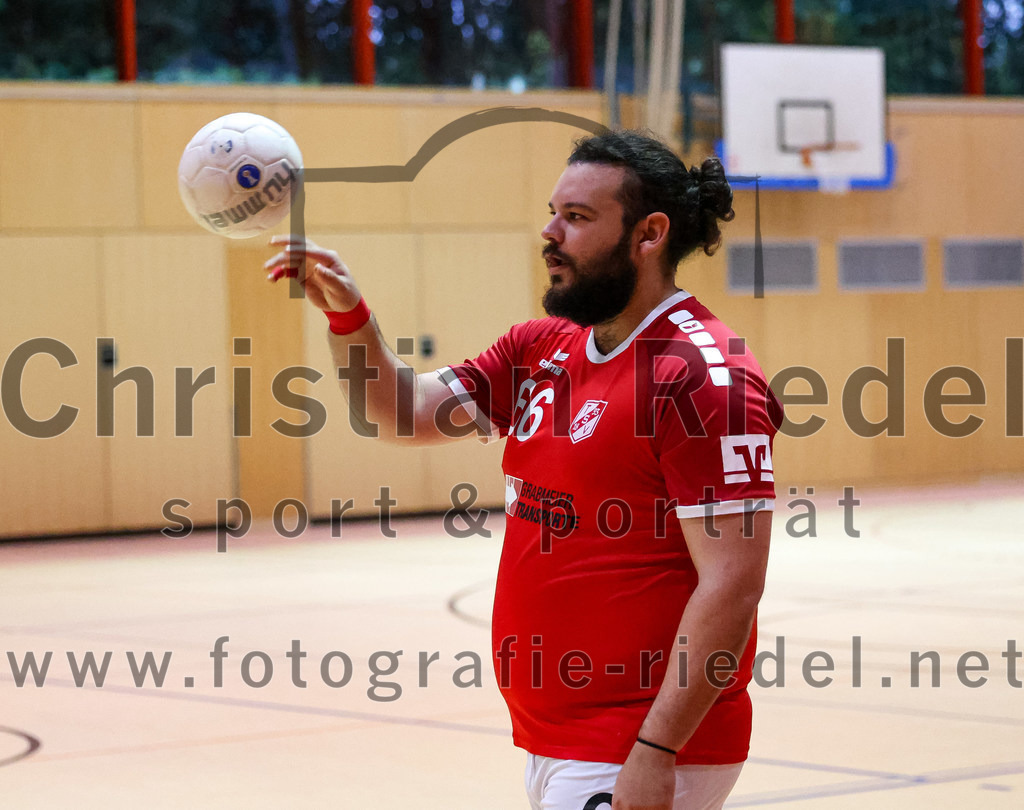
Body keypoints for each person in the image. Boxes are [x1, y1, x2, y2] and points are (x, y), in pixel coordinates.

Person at [264, 130, 782, 810]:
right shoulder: (543, 348)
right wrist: (349, 318)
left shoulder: (703, 377)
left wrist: (656, 751)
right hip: (554, 737)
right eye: (553, 212)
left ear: (649, 234)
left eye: (577, 217)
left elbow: (732, 585)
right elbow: (403, 412)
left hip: (635, 743)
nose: (550, 233)